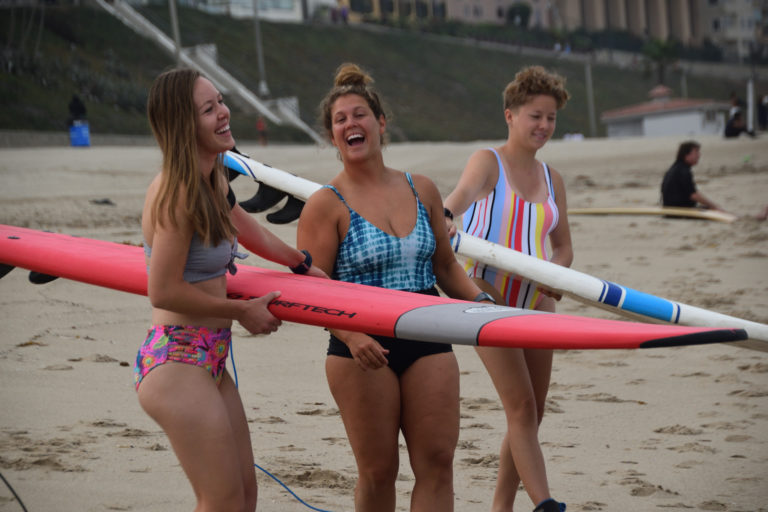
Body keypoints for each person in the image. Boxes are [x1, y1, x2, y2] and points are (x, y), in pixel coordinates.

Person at [296, 63, 494, 512]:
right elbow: (310, 291)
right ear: (333, 137)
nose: (351, 123)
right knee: (379, 471)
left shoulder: (421, 188)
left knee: (438, 463)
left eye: (359, 114)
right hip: (360, 344)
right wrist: (350, 335)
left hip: (427, 329)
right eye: (340, 119)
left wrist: (484, 306)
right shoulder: (325, 205)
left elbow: (445, 266)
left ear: (380, 123)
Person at [136, 67, 326, 511]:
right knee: (220, 501)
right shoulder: (177, 193)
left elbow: (250, 233)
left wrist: (303, 265)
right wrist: (241, 311)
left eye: (220, 101)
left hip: (210, 356)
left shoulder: (213, 179)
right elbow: (161, 291)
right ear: (185, 124)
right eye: (209, 109)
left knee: (243, 497)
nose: (223, 113)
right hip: (177, 359)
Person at [442, 65, 570, 512]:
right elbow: (458, 197)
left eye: (551, 118)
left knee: (531, 413)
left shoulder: (553, 178)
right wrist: (444, 214)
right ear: (510, 115)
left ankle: (502, 508)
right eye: (535, 115)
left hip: (536, 300)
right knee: (519, 406)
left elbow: (564, 248)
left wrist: (555, 276)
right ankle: (545, 503)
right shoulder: (487, 162)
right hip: (484, 292)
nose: (544, 126)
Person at [661, 141, 723, 211]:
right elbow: (693, 195)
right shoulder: (683, 171)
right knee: (712, 208)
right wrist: (714, 206)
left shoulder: (674, 168)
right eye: (696, 152)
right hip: (678, 209)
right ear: (686, 155)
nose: (699, 155)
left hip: (668, 206)